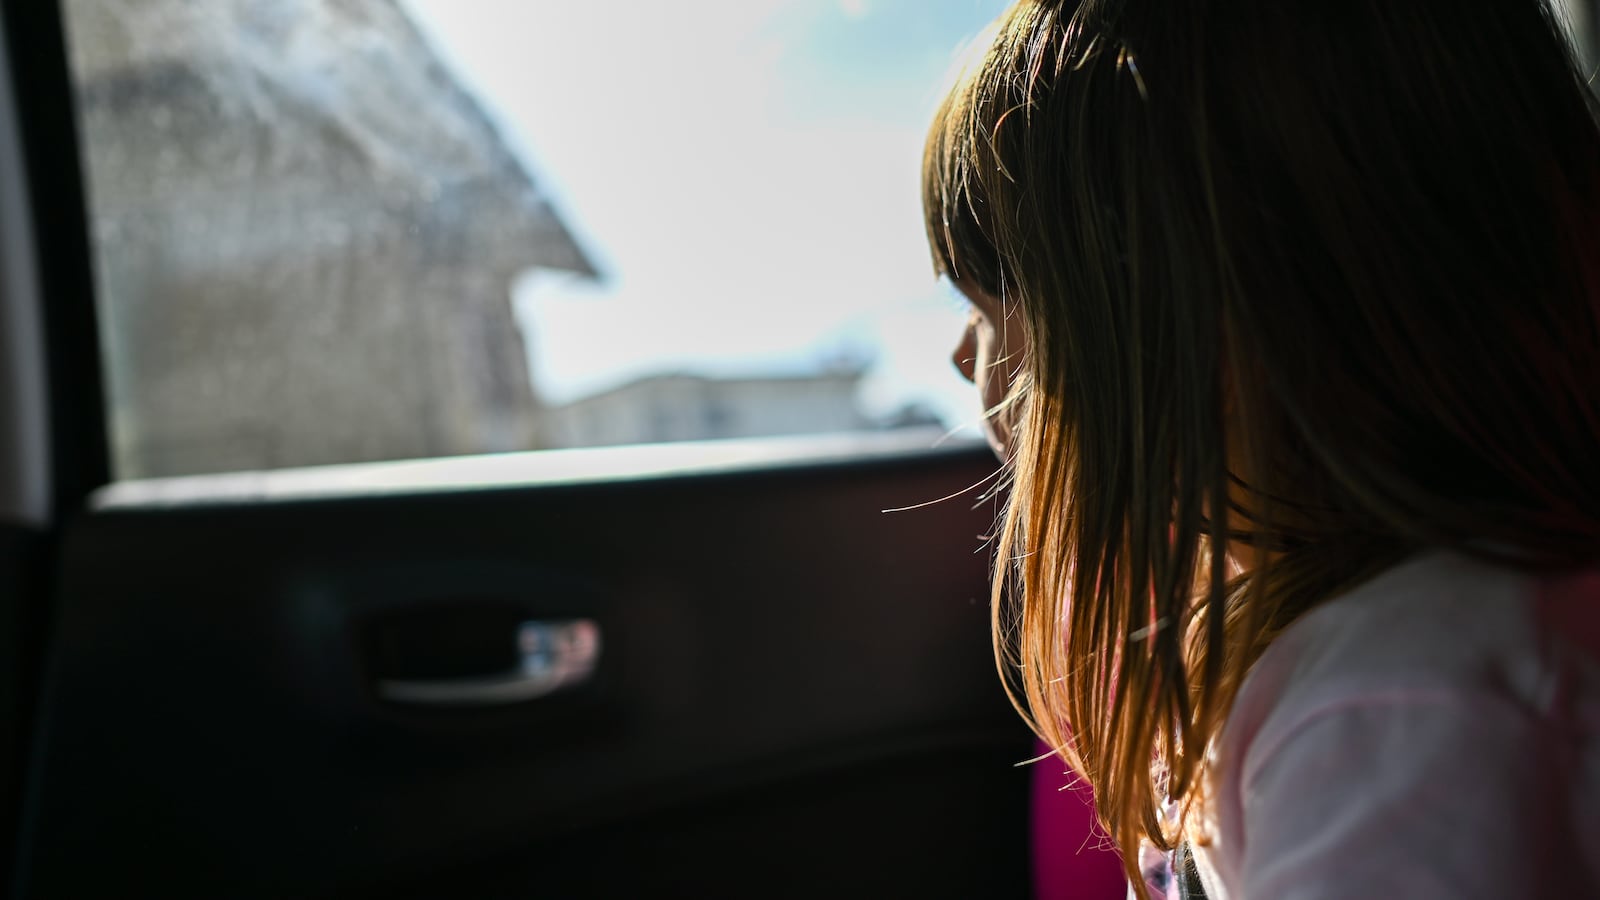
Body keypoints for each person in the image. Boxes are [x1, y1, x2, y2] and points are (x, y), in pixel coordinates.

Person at [923, 1, 1600, 897]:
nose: (962, 352)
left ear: (1188, 321)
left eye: (993, 297)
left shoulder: (1403, 710)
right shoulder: (1355, 656)